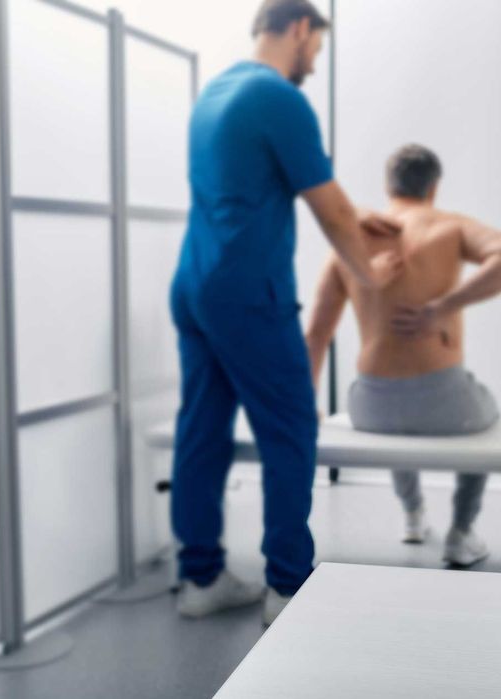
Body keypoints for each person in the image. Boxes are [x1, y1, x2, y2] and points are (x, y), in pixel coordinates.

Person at [170, 0, 404, 626]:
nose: (314, 62)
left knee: (202, 428)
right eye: (317, 48)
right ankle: (287, 590)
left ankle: (199, 578)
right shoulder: (280, 98)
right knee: (292, 428)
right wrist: (368, 276)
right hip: (248, 291)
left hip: (195, 283)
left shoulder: (217, 93)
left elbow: (276, 187)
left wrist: (358, 220)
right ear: (300, 27)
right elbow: (327, 209)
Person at [305, 144, 501, 565]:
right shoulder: (448, 226)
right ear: (434, 186)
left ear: (389, 186)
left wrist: (307, 404)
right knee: (487, 420)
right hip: (447, 407)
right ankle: (461, 532)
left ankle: (412, 514)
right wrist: (443, 306)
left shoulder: (350, 241)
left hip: (369, 407)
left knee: (399, 432)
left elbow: (316, 334)